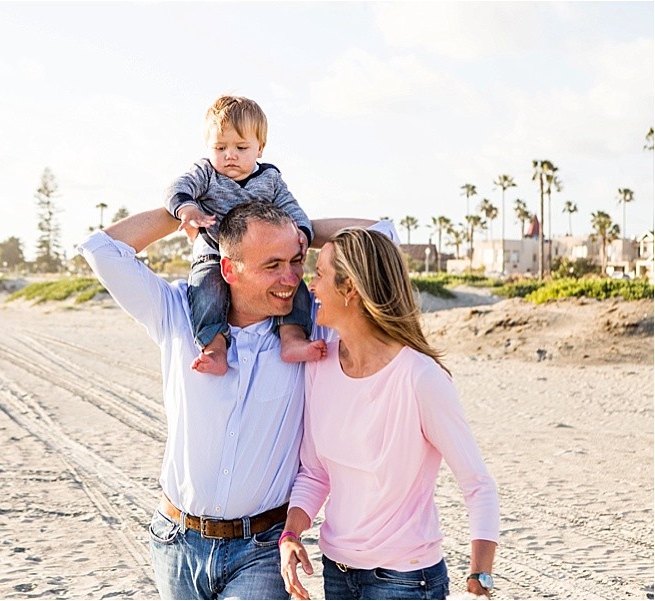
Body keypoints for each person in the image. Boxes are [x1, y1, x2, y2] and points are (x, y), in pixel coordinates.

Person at [79, 202, 396, 600]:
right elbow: (100, 249)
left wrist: (302, 228)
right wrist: (190, 213)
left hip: (262, 550)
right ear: (229, 269)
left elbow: (385, 236)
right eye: (272, 264)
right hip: (176, 541)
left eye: (297, 260)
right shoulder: (178, 313)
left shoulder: (314, 329)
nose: (291, 278)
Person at [278, 227, 500, 600]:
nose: (309, 287)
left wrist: (481, 574)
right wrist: (290, 535)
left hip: (405, 581)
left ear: (350, 288)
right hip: (337, 572)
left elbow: (478, 484)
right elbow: (315, 472)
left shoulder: (420, 377)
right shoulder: (319, 362)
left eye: (319, 275)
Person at [165, 95, 322, 376]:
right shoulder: (206, 174)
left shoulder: (270, 179)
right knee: (206, 291)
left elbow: (292, 209)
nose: (230, 155)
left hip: (258, 255)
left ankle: (292, 338)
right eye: (220, 147)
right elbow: (178, 187)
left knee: (293, 285)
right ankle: (214, 347)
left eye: (241, 147)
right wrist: (187, 208)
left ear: (260, 148)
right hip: (213, 249)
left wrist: (302, 235)